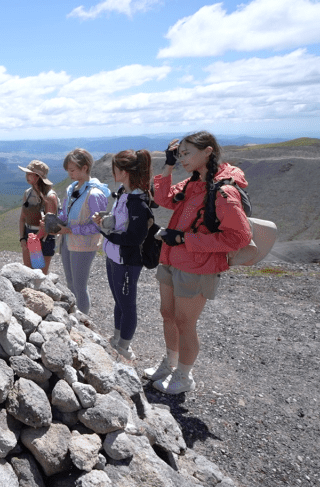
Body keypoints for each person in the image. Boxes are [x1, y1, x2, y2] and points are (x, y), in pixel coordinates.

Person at [146, 132, 252, 394]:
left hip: (198, 265)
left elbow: (239, 236)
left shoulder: (223, 190)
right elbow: (163, 198)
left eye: (186, 153)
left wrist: (184, 238)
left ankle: (184, 375)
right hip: (172, 259)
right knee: (167, 315)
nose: (182, 158)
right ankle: (169, 364)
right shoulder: (194, 182)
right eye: (179, 153)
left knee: (184, 322)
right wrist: (168, 165)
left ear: (207, 152)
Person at [93, 150, 154, 360]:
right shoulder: (123, 193)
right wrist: (105, 221)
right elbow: (120, 223)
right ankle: (117, 340)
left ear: (125, 172)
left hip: (127, 260)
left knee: (127, 305)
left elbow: (134, 238)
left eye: (115, 169)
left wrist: (105, 231)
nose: (112, 172)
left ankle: (124, 348)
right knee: (119, 301)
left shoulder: (138, 202)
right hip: (113, 255)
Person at [55, 148, 110, 314]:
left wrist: (71, 229)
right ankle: (74, 316)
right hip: (67, 241)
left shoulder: (94, 194)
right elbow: (65, 212)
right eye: (68, 170)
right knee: (70, 282)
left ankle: (84, 321)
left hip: (84, 245)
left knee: (80, 285)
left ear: (84, 168)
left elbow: (98, 226)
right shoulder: (72, 189)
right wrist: (56, 221)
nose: (69, 174)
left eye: (72, 170)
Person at [18, 160, 59, 274]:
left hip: (44, 240)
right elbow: (22, 218)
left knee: (39, 277)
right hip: (29, 236)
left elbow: (49, 226)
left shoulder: (50, 197)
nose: (26, 176)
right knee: (28, 274)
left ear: (37, 176)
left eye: (29, 173)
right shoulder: (27, 193)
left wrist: (35, 238)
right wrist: (22, 238)